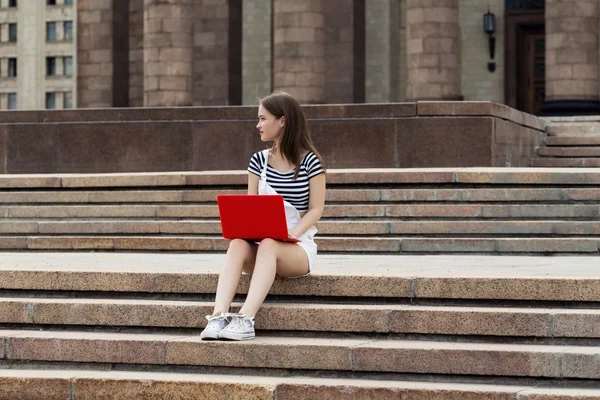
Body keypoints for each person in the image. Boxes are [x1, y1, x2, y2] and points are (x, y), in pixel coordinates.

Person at [200, 91, 326, 341]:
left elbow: (316, 209)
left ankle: (245, 319)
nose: (257, 125)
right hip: (266, 240)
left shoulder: (311, 162)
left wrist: (294, 232)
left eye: (262, 118)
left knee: (270, 243)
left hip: (297, 246)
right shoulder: (258, 161)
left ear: (282, 121)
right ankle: (218, 315)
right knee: (237, 244)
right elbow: (252, 206)